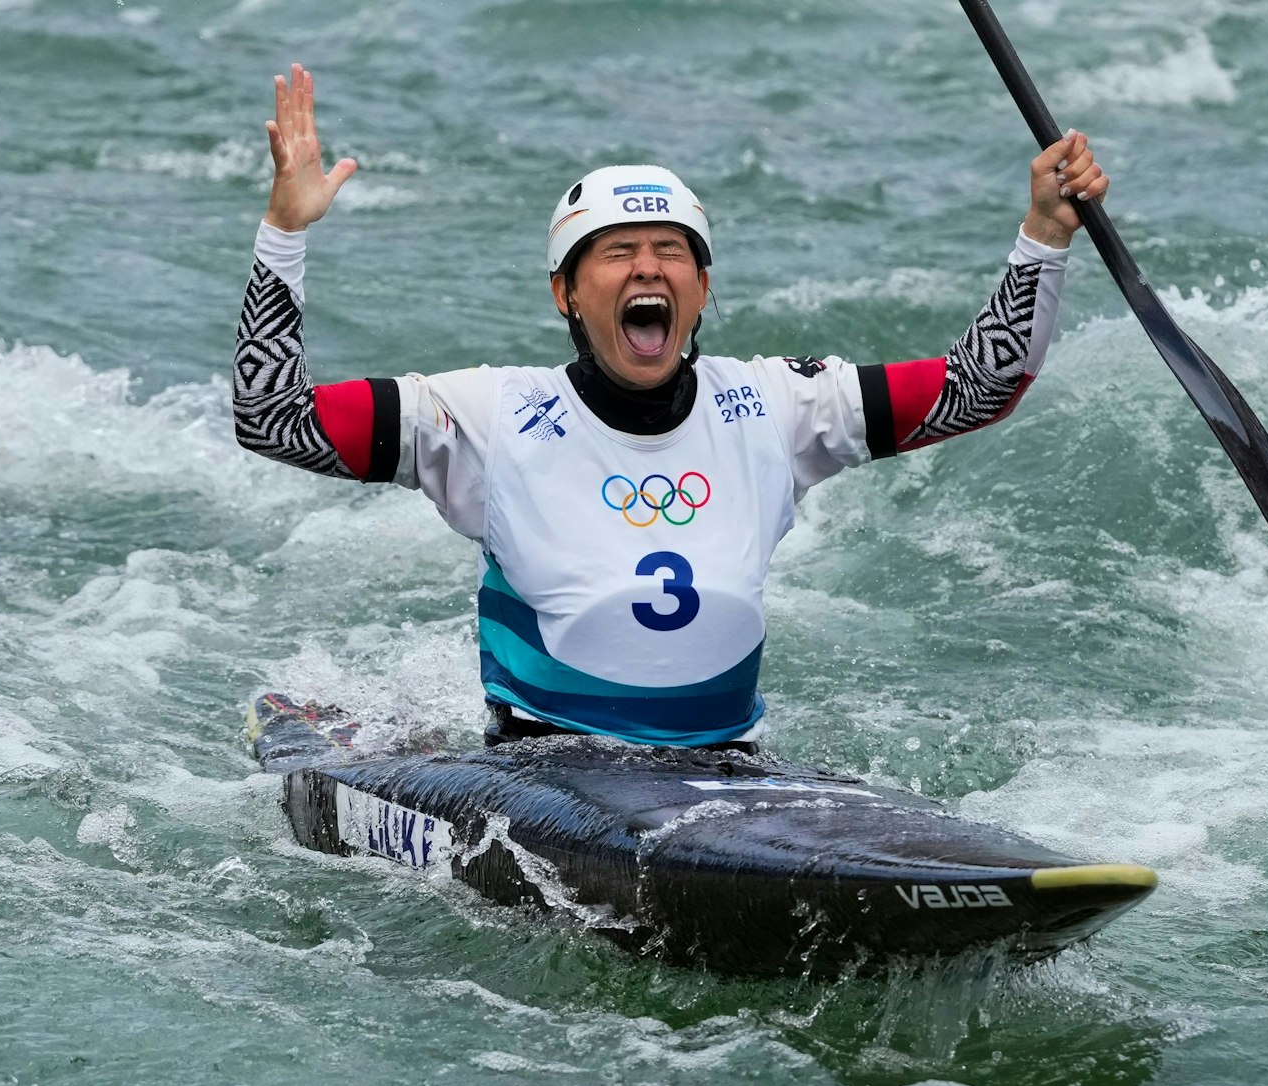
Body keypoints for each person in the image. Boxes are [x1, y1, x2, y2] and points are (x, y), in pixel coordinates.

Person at [233, 64, 1108, 750]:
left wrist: (1045, 236)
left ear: (701, 289)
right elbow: (270, 415)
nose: (648, 267)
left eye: (670, 252)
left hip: (727, 762)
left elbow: (977, 387)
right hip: (547, 767)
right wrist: (287, 230)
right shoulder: (485, 415)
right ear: (566, 294)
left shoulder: (775, 402)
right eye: (616, 253)